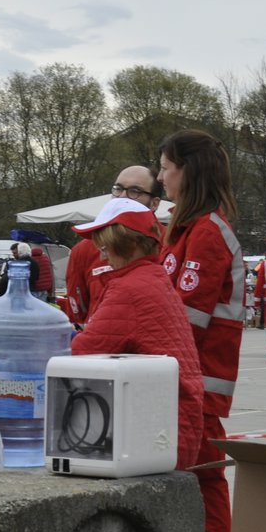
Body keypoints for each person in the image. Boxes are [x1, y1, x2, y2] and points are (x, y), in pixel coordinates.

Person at [157, 129, 245, 532]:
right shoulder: (184, 230)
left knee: (205, 486)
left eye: (166, 167)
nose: (160, 177)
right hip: (177, 384)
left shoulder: (209, 232)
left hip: (198, 388)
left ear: (187, 170)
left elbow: (185, 320)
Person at [68, 197, 204, 470]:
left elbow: (82, 351)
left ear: (126, 244)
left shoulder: (130, 289)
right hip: (174, 422)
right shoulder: (151, 278)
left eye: (104, 246)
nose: (102, 256)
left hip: (159, 431)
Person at [64, 167, 162, 328]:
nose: (122, 196)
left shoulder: (170, 242)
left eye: (134, 191)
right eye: (118, 189)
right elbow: (78, 313)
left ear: (154, 203)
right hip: (100, 343)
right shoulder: (84, 249)